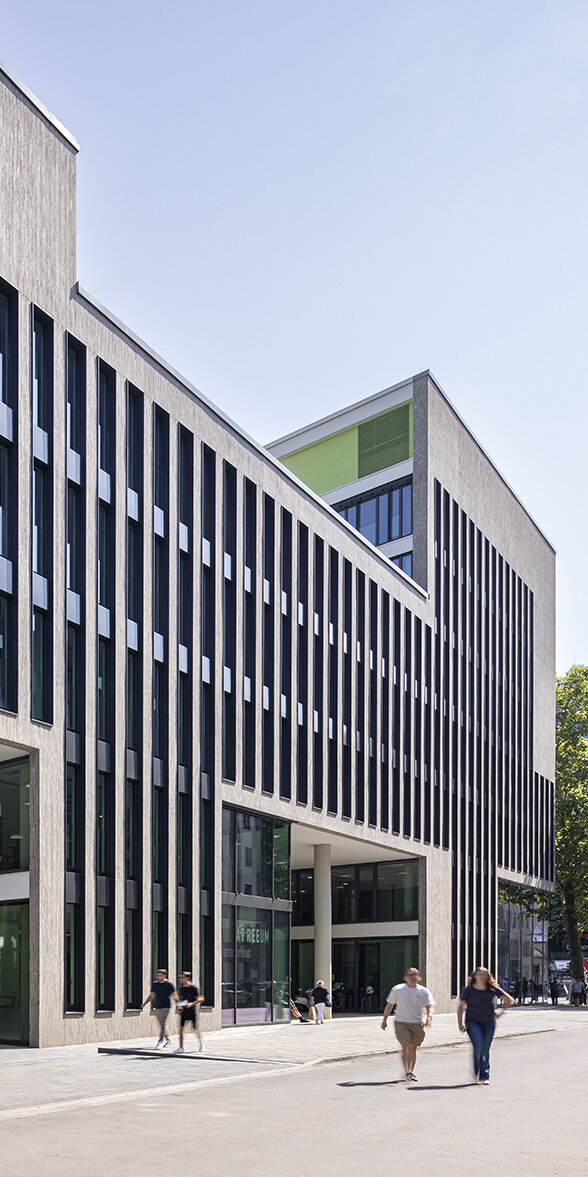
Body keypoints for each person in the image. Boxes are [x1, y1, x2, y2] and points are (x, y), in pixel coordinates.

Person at [457, 966, 514, 1084]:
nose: (481, 977)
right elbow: (460, 1006)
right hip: (472, 1021)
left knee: (485, 1049)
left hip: (489, 1022)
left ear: (487, 976)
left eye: (484, 974)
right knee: (479, 1046)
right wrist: (460, 1023)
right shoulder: (469, 990)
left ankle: (484, 1076)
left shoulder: (492, 988)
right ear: (474, 976)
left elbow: (510, 1000)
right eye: (479, 974)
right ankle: (477, 1074)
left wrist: (500, 1013)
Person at [381, 967, 435, 1082]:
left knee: (412, 1048)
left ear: (419, 977)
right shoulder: (397, 989)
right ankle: (407, 1072)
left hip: (417, 1023)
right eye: (410, 975)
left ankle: (410, 1071)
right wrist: (384, 1020)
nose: (412, 977)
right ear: (405, 978)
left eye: (415, 974)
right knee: (405, 1045)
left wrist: (429, 1017)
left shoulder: (424, 991)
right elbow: (389, 1005)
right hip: (401, 1022)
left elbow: (429, 1006)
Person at [142, 968, 176, 1048]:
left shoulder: (169, 984)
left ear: (165, 975)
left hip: (166, 1006)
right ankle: (168, 1040)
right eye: (157, 975)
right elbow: (151, 995)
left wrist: (178, 1005)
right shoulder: (155, 984)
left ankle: (160, 1041)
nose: (158, 977)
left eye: (160, 975)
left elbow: (175, 995)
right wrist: (144, 1003)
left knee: (163, 1024)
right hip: (157, 1006)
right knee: (162, 1025)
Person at [174, 971, 204, 1054]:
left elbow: (201, 998)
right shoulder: (181, 989)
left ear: (187, 978)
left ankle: (201, 1044)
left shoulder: (193, 988)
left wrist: (192, 1004)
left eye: (182, 977)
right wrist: (179, 1008)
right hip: (184, 1012)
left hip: (192, 1012)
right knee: (180, 1030)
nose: (180, 979)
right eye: (180, 978)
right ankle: (181, 1047)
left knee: (195, 1030)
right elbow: (181, 999)